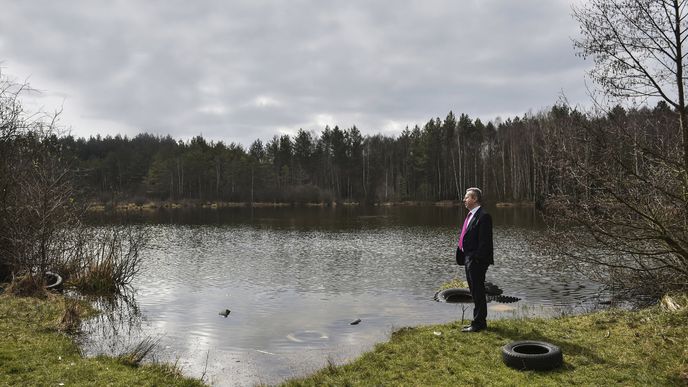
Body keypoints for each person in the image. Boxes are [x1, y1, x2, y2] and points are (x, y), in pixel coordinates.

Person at [455, 187, 493, 332]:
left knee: (478, 291)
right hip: (468, 258)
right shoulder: (471, 215)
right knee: (474, 291)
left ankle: (479, 323)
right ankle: (477, 322)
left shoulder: (484, 216)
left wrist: (476, 258)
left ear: (475, 199)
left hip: (477, 260)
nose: (464, 199)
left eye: (467, 197)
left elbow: (485, 242)